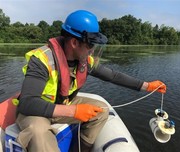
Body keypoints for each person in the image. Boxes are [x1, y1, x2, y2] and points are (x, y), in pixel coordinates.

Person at [16, 10, 166, 152]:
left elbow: (112, 76)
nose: (92, 50)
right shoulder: (42, 59)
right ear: (74, 42)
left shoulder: (84, 61)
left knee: (101, 111)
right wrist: (74, 111)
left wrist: (147, 86)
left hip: (62, 104)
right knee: (38, 131)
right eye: (90, 44)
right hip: (36, 111)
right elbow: (27, 103)